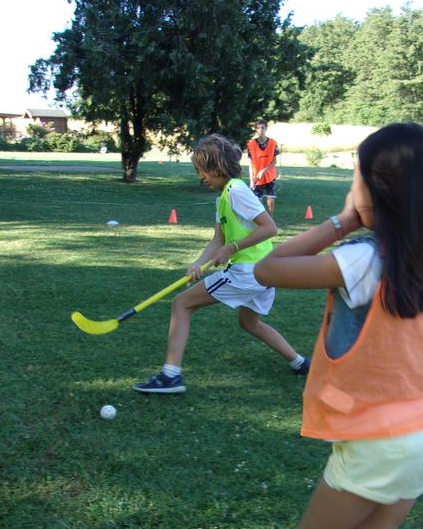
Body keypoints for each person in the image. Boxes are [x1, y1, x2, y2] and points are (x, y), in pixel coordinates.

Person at [255, 123, 423, 529]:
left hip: (380, 440)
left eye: (355, 176)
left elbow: (268, 268)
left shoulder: (361, 260)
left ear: (373, 189)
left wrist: (342, 221)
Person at [133, 134, 310, 394]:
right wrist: (198, 262)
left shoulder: (237, 191)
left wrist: (233, 248)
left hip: (248, 273)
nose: (201, 177)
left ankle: (170, 376)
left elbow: (270, 228)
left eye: (204, 170)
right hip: (263, 273)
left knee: (181, 304)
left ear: (217, 167)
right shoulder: (224, 197)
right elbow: (218, 239)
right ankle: (300, 363)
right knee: (250, 323)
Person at [246, 119, 281, 215]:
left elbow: (274, 161)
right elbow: (250, 163)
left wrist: (264, 171)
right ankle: (262, 222)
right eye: (258, 128)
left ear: (266, 129)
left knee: (271, 198)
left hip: (270, 176)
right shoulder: (251, 144)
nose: (260, 130)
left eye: (262, 127)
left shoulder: (273, 143)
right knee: (257, 202)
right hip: (257, 177)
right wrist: (251, 180)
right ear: (256, 130)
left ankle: (270, 220)